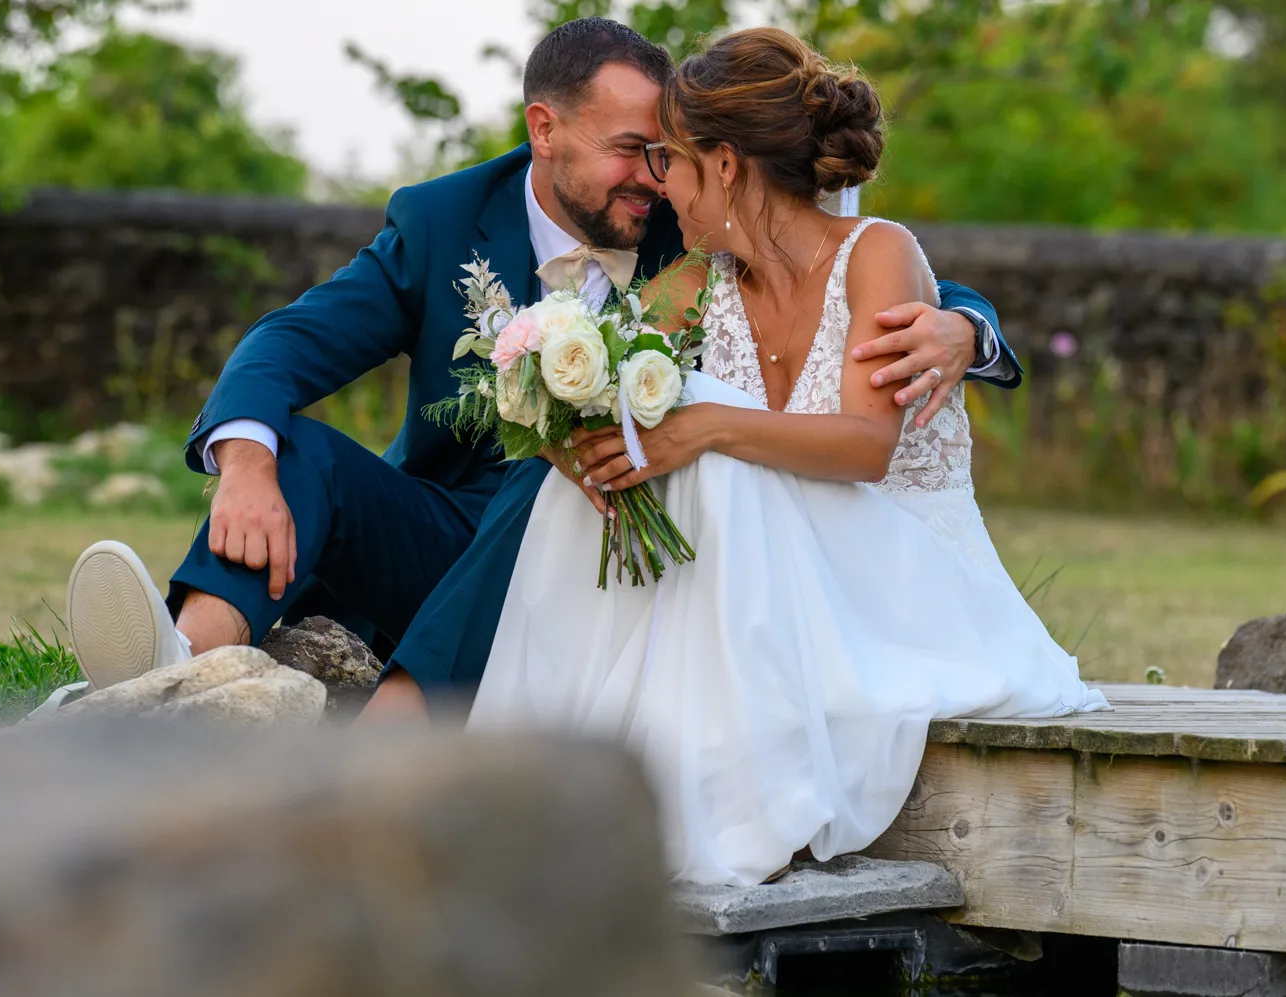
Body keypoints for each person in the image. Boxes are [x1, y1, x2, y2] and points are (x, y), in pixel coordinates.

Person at [58, 18, 1024, 723]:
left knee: (567, 461)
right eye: (631, 151)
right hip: (443, 551)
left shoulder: (694, 234)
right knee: (295, 452)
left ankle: (394, 739)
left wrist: (964, 330)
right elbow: (293, 341)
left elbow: (845, 272)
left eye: (667, 154)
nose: (653, 177)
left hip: (613, 562)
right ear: (545, 129)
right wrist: (245, 461)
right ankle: (177, 676)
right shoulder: (439, 222)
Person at [465, 27, 1108, 887]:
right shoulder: (699, 283)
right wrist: (557, 408)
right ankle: (539, 781)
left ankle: (700, 812)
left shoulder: (878, 255)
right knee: (613, 460)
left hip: (906, 581)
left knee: (705, 435)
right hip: (789, 580)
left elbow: (866, 446)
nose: (660, 186)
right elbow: (597, 392)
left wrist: (702, 428)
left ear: (725, 167)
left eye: (673, 162)